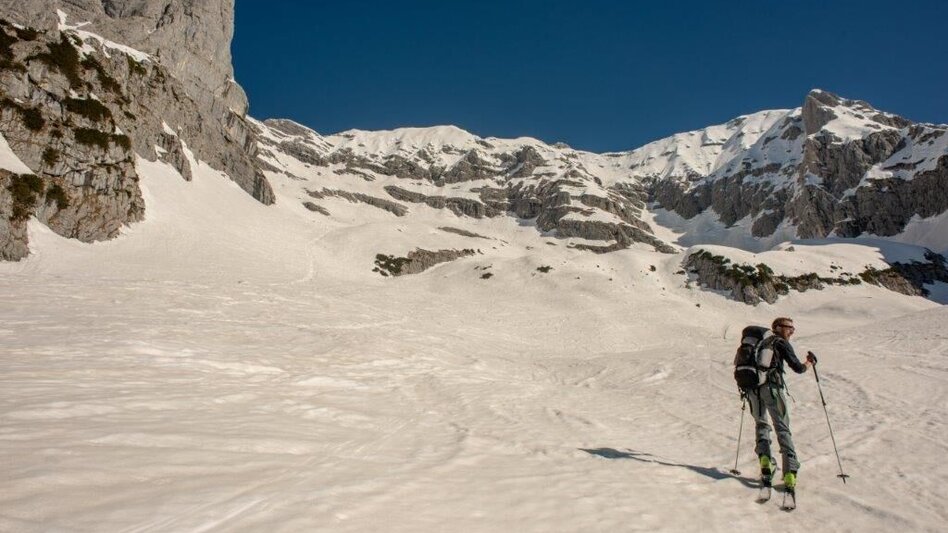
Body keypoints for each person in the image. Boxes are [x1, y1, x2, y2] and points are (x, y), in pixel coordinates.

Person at [746, 317, 816, 490]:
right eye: (789, 328)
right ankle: (790, 471)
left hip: (753, 389)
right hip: (772, 389)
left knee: (761, 424)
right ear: (778, 328)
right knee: (782, 427)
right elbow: (798, 368)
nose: (792, 331)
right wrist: (810, 362)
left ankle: (765, 462)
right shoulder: (780, 342)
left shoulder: (759, 344)